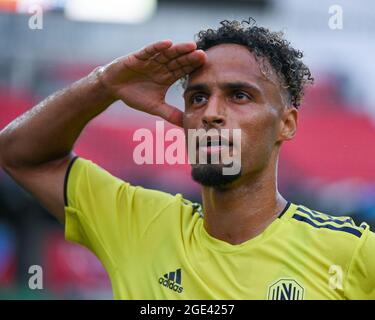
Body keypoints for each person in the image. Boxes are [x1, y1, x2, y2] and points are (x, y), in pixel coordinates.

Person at [0, 19, 374, 300]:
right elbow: (20, 154)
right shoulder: (137, 223)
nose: (211, 112)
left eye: (239, 96)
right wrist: (104, 85)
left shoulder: (352, 253)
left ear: (286, 124)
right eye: (197, 98)